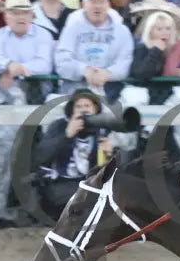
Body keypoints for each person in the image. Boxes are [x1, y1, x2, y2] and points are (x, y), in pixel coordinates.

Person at [33, 89, 119, 218]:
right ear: (72, 110)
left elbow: (109, 172)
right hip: (61, 185)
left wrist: (109, 155)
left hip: (90, 184)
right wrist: (66, 135)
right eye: (78, 106)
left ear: (96, 110)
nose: (83, 110)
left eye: (87, 106)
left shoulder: (103, 130)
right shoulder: (59, 126)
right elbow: (40, 156)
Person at [54, 0, 134, 96]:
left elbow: (124, 64)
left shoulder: (122, 32)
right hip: (75, 91)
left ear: (108, 5)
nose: (97, 6)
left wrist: (107, 74)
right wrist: (84, 71)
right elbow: (62, 62)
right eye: (93, 1)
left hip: (111, 90)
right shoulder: (71, 28)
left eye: (102, 2)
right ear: (83, 5)